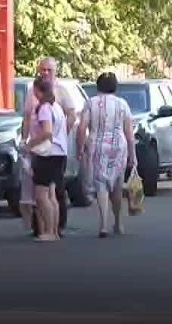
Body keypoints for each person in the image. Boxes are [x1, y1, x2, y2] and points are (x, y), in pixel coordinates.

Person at [21, 57, 76, 236]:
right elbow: (27, 117)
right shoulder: (35, 95)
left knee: (49, 192)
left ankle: (55, 228)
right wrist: (25, 139)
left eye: (48, 70)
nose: (45, 73)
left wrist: (59, 137)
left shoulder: (57, 95)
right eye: (42, 70)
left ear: (55, 72)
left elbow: (68, 118)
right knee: (46, 192)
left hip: (50, 150)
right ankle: (44, 229)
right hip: (45, 149)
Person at [77, 72, 136, 238]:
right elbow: (129, 132)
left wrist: (80, 148)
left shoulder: (91, 103)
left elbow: (82, 128)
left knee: (101, 184)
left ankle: (103, 224)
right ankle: (118, 222)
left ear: (98, 86)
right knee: (117, 184)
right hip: (119, 147)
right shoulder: (122, 104)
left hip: (98, 147)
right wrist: (133, 155)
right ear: (115, 87)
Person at [25, 76, 68, 242]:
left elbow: (47, 132)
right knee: (51, 194)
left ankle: (49, 231)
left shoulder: (43, 108)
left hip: (47, 154)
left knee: (41, 195)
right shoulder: (56, 106)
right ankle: (54, 231)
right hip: (59, 153)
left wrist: (30, 145)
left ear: (37, 90)